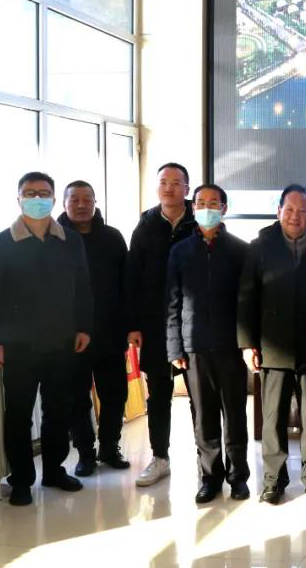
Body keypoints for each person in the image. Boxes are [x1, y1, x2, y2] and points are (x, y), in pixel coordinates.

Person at [0, 172, 93, 506]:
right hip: (18, 346)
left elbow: (83, 288)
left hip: (62, 342)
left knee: (59, 410)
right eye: (30, 193)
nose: (37, 198)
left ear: (54, 200)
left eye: (44, 193)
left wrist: (84, 327)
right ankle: (22, 480)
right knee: (19, 414)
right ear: (18, 199)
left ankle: (54, 470)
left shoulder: (70, 240)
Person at [238, 184, 306, 505]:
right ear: (278, 212)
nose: (295, 216)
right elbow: (246, 298)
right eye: (289, 209)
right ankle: (274, 480)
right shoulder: (259, 247)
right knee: (273, 419)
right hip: (272, 347)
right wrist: (247, 344)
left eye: (302, 211)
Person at [166, 184, 250, 504]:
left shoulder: (240, 250)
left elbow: (248, 303)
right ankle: (210, 478)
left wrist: (248, 344)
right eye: (201, 203)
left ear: (224, 208)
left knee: (235, 414)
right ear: (193, 208)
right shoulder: (180, 251)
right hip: (194, 347)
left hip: (231, 346)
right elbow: (172, 303)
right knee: (203, 417)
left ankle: (238, 477)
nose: (207, 208)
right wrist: (175, 348)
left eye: (213, 203)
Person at [126, 162, 197, 487]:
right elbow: (132, 278)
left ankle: (207, 458)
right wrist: (133, 324)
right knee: (159, 394)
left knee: (200, 395)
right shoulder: (145, 226)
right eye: (163, 182)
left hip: (194, 324)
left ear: (186, 188)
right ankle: (160, 458)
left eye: (176, 183)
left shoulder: (199, 222)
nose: (169, 188)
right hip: (155, 326)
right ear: (157, 188)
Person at [58, 180, 131, 476]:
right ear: (63, 203)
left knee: (115, 395)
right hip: (71, 336)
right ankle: (85, 453)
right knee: (77, 398)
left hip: (110, 333)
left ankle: (110, 447)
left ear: (95, 202)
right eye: (74, 199)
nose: (81, 204)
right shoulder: (55, 238)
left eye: (87, 199)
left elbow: (126, 284)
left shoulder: (112, 237)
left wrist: (129, 325)